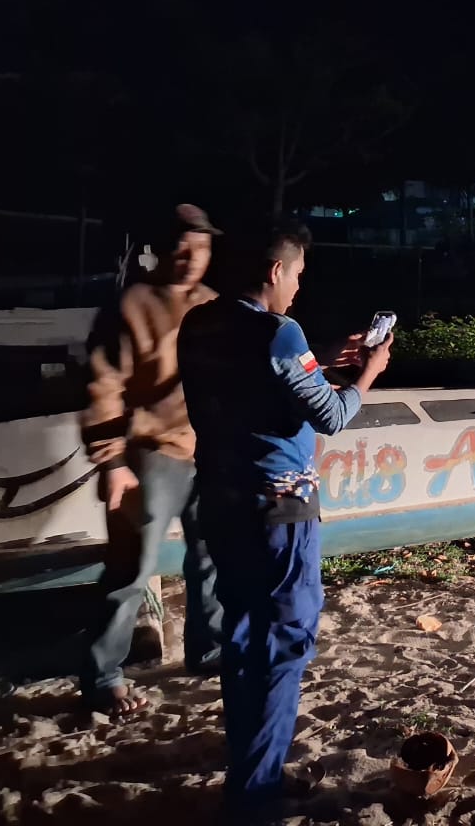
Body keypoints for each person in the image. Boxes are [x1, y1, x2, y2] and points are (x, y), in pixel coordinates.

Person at [177, 218, 392, 821]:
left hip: (219, 499)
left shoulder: (199, 323)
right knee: (286, 640)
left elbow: (270, 390)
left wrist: (326, 369)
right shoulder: (280, 331)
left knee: (243, 634)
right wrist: (369, 372)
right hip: (281, 507)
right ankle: (255, 790)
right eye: (297, 273)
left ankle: (251, 762)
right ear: (275, 271)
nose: (298, 287)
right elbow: (330, 417)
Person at [80, 203, 224, 717]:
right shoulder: (131, 305)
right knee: (130, 570)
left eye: (200, 248)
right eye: (181, 249)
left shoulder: (212, 304)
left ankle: (209, 653)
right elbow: (102, 386)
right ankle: (103, 677)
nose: (190, 258)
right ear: (160, 252)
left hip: (207, 451)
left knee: (211, 561)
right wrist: (111, 460)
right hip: (149, 457)